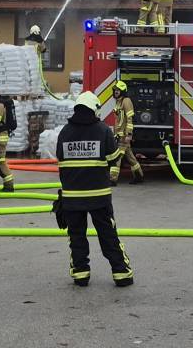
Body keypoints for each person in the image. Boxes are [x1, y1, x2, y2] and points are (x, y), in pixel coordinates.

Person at [55, 91, 135, 287]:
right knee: (108, 235)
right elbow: (113, 158)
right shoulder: (103, 130)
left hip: (72, 197)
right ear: (94, 109)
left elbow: (61, 159)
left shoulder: (64, 132)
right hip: (99, 196)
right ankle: (121, 274)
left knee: (77, 237)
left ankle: (81, 274)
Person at [108, 79, 144, 184]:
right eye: (115, 90)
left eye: (118, 90)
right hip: (119, 134)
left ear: (123, 91)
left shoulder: (126, 101)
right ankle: (139, 176)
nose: (116, 92)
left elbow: (129, 119)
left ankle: (112, 179)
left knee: (117, 157)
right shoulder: (118, 102)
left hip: (123, 135)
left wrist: (129, 134)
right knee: (131, 157)